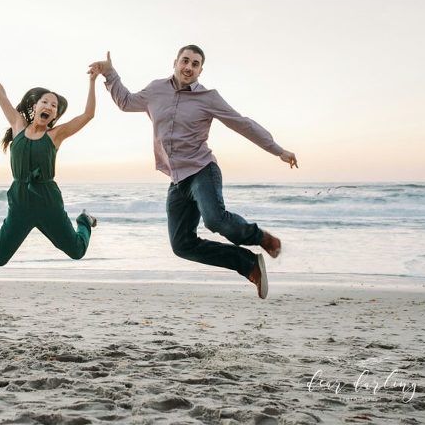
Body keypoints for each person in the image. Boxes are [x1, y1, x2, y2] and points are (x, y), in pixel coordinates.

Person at [88, 46, 298, 299]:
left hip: (202, 170)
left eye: (195, 64)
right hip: (177, 180)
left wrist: (277, 150)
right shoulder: (156, 90)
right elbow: (126, 102)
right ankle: (248, 264)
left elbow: (242, 124)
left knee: (214, 219)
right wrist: (110, 74)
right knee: (181, 245)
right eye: (185, 61)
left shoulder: (208, 97)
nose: (188, 67)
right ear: (175, 62)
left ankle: (261, 238)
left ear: (200, 70)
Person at [0, 56, 99, 267]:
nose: (49, 106)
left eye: (54, 105)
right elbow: (1, 95)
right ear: (35, 107)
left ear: (53, 115)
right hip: (20, 201)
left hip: (48, 201)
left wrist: (92, 82)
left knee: (77, 251)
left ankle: (84, 221)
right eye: (45, 102)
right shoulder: (18, 126)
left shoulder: (56, 135)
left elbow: (88, 115)